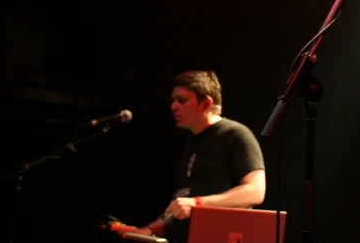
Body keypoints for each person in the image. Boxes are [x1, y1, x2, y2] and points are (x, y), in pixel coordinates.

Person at [109, 70, 266, 243]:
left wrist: (197, 204)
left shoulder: (235, 134)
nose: (173, 106)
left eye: (182, 100)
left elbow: (256, 192)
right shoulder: (191, 146)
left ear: (206, 103)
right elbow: (180, 206)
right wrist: (146, 230)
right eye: (173, 100)